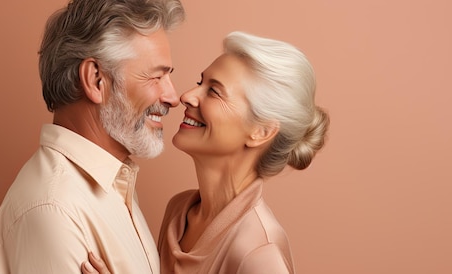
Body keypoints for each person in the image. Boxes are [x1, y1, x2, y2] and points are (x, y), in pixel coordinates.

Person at [83, 31, 329, 274]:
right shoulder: (178, 212)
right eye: (201, 82)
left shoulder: (259, 255)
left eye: (214, 91)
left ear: (261, 131)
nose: (186, 96)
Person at [0, 0, 185, 273]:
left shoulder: (114, 184)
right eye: (155, 77)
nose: (173, 97)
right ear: (96, 80)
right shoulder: (55, 210)